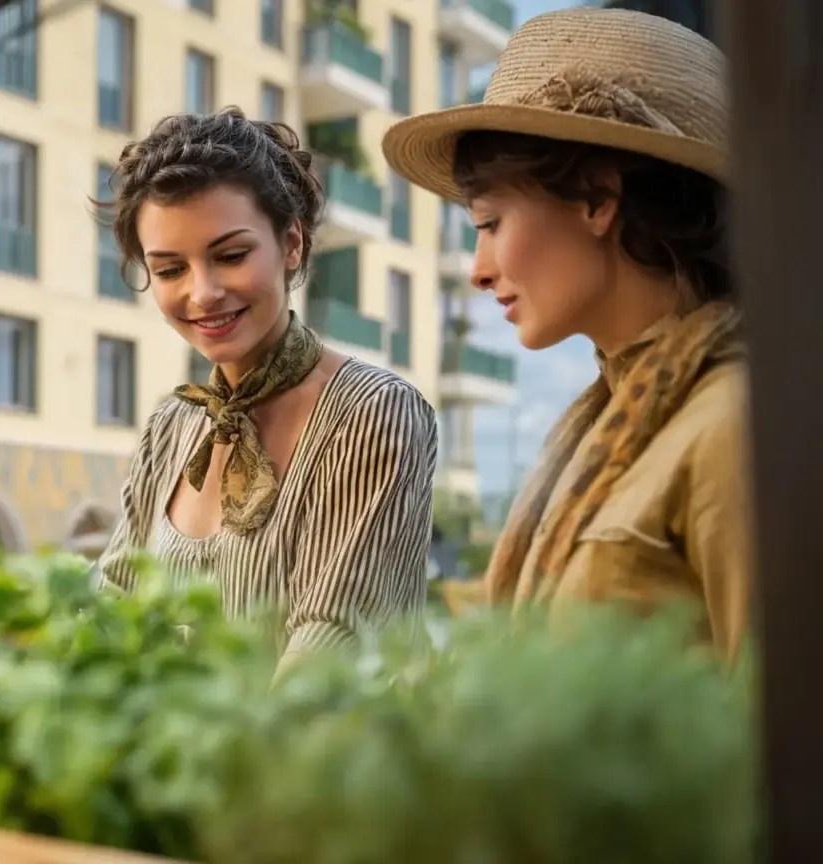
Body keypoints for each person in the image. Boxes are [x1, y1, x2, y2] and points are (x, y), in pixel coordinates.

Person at [381, 8, 748, 658]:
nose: (478, 272)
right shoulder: (601, 428)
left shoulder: (733, 426)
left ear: (596, 199)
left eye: (490, 224)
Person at [96, 108, 438, 673]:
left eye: (230, 256)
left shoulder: (374, 411)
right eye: (169, 269)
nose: (202, 293)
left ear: (292, 244)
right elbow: (112, 602)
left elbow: (333, 642)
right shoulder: (172, 425)